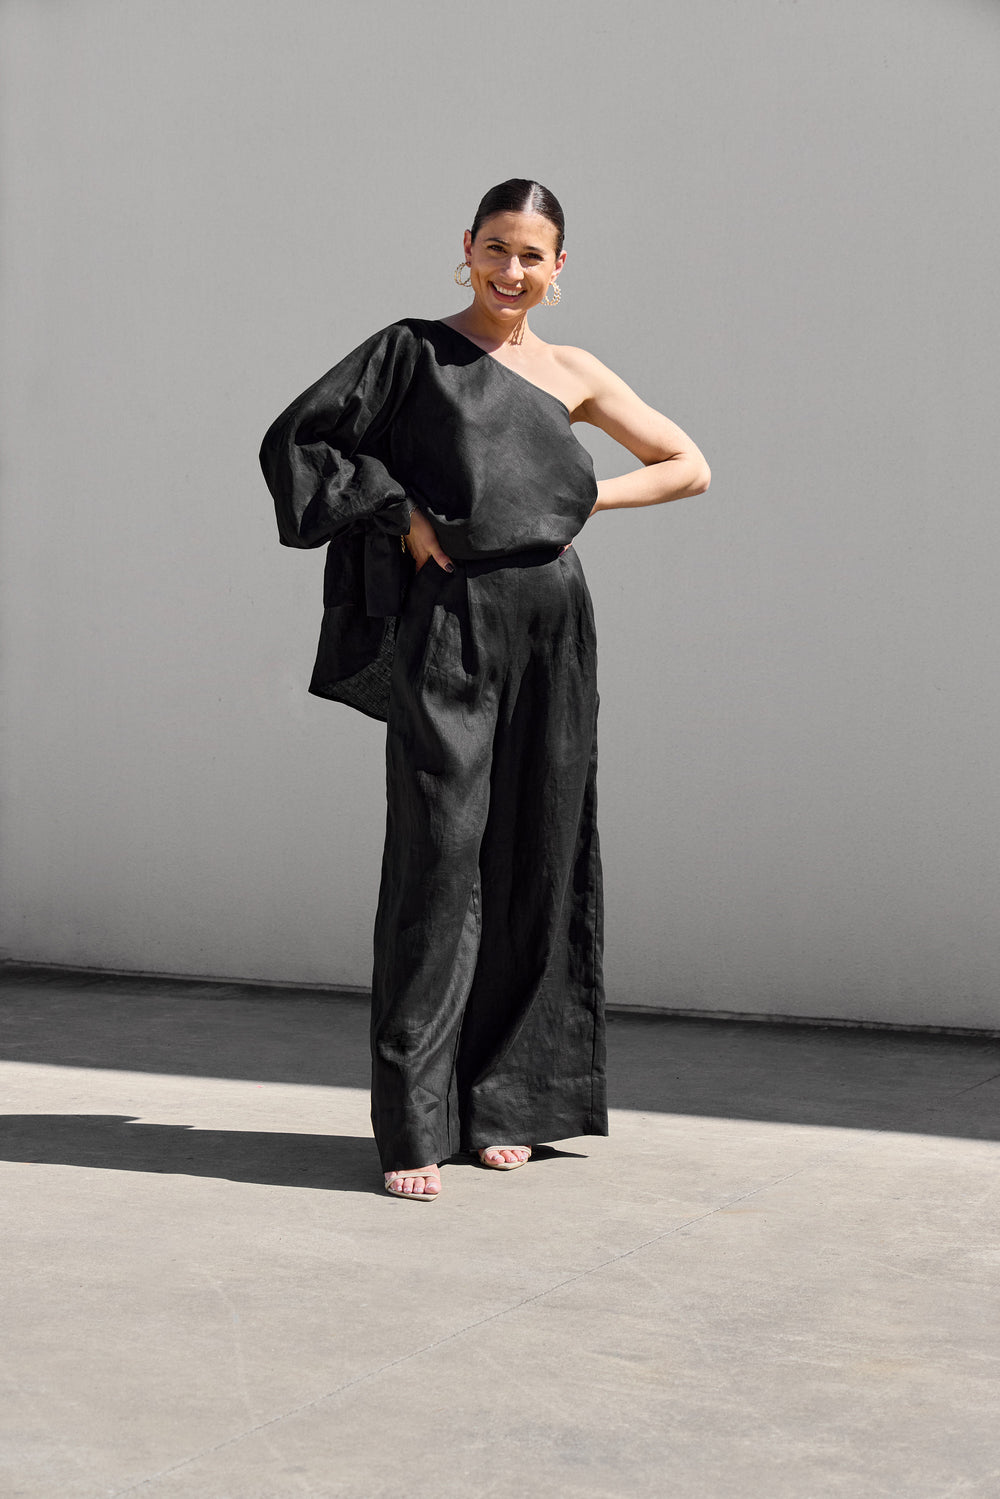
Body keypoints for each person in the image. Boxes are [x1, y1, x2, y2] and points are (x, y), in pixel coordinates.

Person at [260, 179, 710, 1202]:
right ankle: (415, 1121)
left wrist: (581, 493)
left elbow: (688, 464)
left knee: (536, 851)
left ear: (560, 271)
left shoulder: (574, 371)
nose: (512, 272)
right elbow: (296, 442)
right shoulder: (409, 353)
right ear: (465, 248)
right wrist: (395, 512)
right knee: (438, 855)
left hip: (551, 619)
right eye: (496, 248)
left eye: (532, 256)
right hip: (449, 620)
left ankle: (509, 1101)